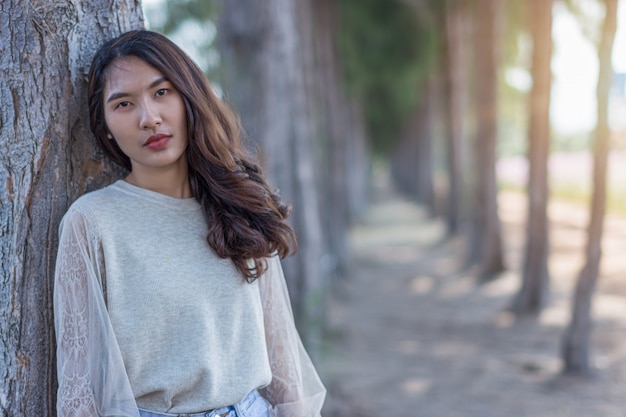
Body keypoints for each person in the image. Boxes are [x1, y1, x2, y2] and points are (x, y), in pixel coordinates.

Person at [53, 30, 326, 417]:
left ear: (190, 96)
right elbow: (79, 389)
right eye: (124, 103)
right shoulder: (92, 222)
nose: (150, 118)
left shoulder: (239, 202)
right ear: (106, 127)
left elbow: (281, 356)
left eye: (162, 92)